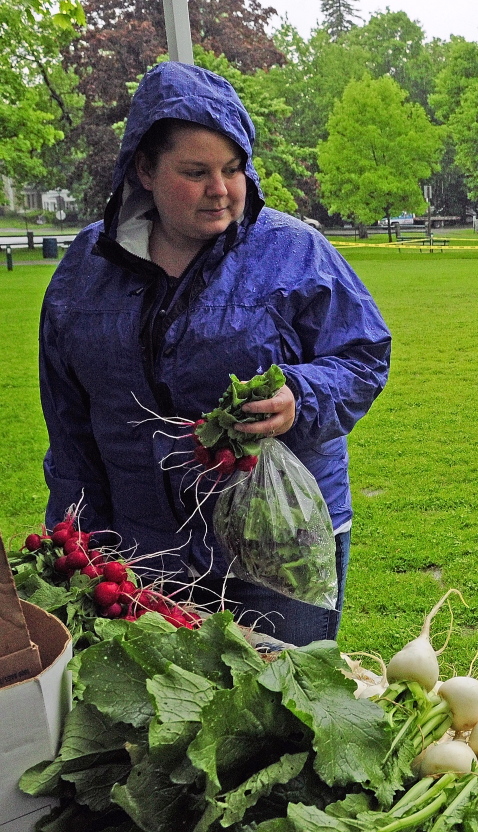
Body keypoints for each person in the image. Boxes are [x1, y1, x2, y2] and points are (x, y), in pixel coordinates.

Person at [38, 62, 391, 646]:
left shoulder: (293, 251)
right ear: (145, 170)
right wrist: (76, 536)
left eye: (233, 169)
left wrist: (299, 396)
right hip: (139, 550)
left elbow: (362, 356)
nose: (221, 190)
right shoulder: (85, 272)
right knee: (166, 721)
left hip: (276, 543)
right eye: (196, 172)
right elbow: (70, 421)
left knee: (283, 712)